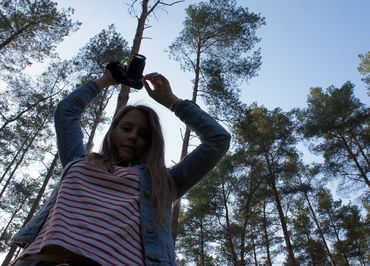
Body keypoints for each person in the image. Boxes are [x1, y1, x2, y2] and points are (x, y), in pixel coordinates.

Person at [10, 68, 231, 265]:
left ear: (151, 142)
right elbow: (66, 111)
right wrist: (105, 81)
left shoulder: (162, 183)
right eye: (127, 128)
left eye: (143, 134)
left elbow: (217, 139)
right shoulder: (79, 161)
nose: (133, 136)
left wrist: (171, 100)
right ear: (114, 131)